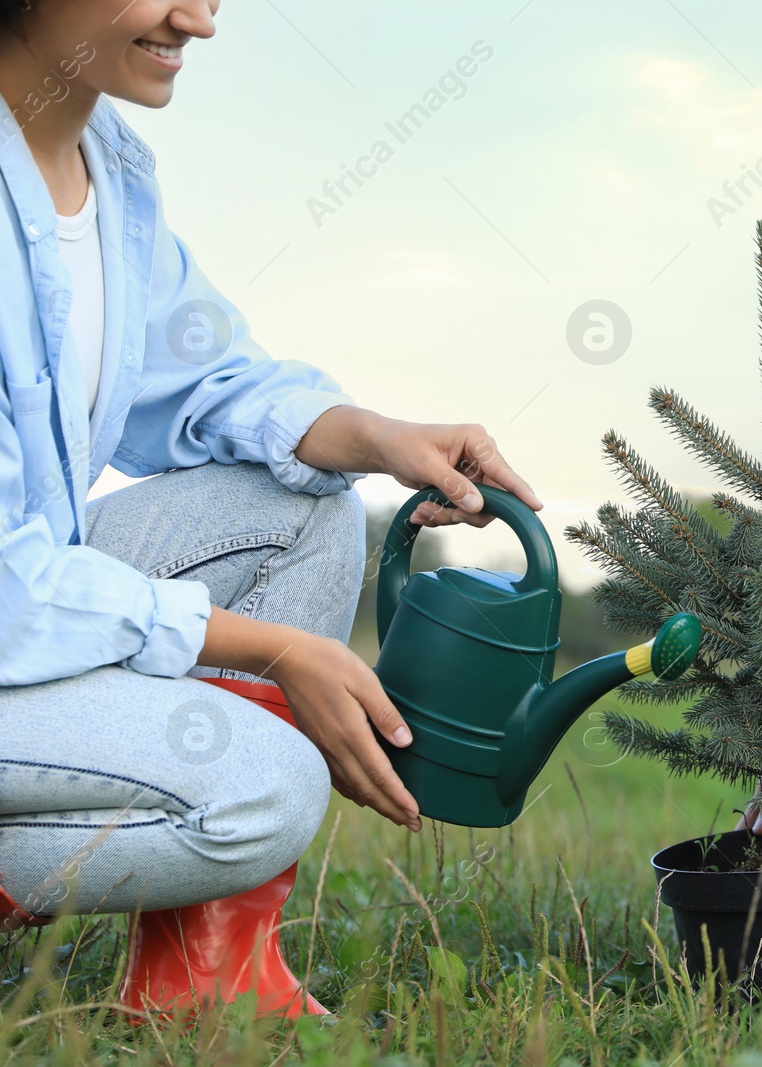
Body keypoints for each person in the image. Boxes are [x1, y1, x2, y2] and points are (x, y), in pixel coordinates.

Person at [0, 0, 540, 1017]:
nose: (198, 19)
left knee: (303, 505)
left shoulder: (109, 168)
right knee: (267, 785)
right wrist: (272, 651)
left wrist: (381, 437)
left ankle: (203, 982)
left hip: (27, 610)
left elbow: (211, 382)